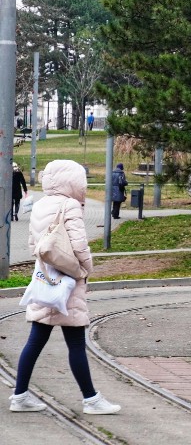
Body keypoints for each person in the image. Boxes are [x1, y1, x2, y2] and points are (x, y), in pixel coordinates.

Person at [9, 159, 121, 414]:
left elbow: (32, 245)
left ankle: (20, 396)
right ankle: (91, 400)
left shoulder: (40, 204)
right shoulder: (70, 205)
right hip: (68, 281)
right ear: (72, 181)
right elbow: (80, 245)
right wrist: (85, 270)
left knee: (35, 341)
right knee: (76, 342)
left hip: (45, 278)